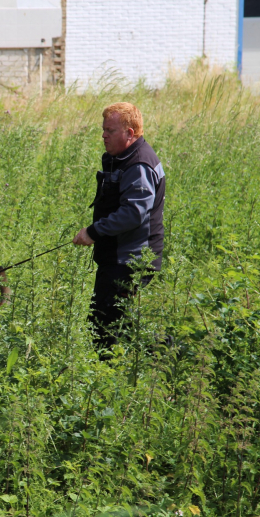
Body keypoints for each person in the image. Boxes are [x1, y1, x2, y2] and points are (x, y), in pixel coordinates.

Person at [72, 102, 165, 358]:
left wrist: (93, 232)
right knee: (116, 324)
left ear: (129, 133)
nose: (104, 135)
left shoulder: (139, 164)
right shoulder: (123, 159)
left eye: (110, 131)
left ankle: (170, 357)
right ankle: (162, 360)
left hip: (130, 260)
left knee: (106, 328)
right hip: (119, 257)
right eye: (103, 130)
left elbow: (133, 213)